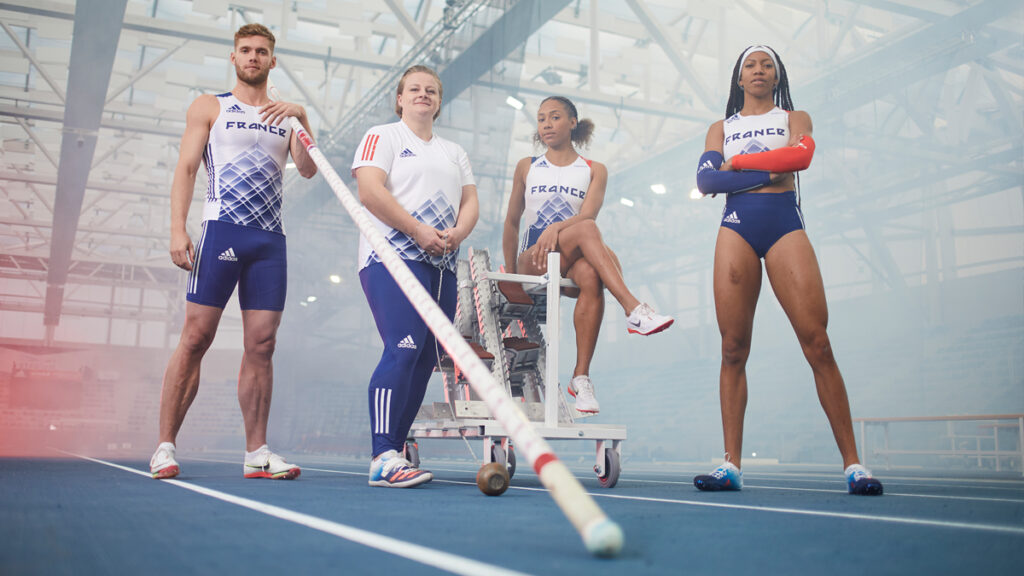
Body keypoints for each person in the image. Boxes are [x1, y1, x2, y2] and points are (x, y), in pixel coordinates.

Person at [692, 45, 882, 495]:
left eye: (767, 66)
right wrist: (762, 171)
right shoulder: (721, 128)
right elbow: (706, 182)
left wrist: (736, 164)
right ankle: (731, 466)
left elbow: (800, 159)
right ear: (739, 80)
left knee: (818, 343)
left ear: (777, 77)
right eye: (750, 66)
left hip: (783, 224)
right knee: (733, 348)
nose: (758, 71)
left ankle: (854, 465)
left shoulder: (795, 119)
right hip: (737, 226)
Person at [149, 23, 317, 480]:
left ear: (272, 61)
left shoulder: (286, 116)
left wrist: (302, 118)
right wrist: (176, 230)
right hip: (221, 232)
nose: (253, 57)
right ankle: (165, 446)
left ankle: (257, 452)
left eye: (262, 51)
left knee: (262, 345)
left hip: (269, 241)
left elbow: (306, 170)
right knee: (197, 338)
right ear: (234, 57)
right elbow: (186, 169)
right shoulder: (210, 106)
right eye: (246, 50)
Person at [502, 96, 674, 415]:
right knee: (588, 230)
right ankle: (633, 308)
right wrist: (512, 277)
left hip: (568, 260)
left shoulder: (595, 170)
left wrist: (559, 229)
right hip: (534, 258)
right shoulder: (527, 166)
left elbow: (589, 211)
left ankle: (581, 378)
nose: (546, 124)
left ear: (572, 123)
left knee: (591, 273)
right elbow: (511, 223)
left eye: (554, 117)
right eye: (541, 119)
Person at [352, 65, 478, 488]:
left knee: (426, 359)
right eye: (414, 89)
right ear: (400, 99)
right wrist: (417, 230)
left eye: (431, 90)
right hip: (391, 257)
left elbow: (470, 202)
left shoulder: (454, 151)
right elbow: (369, 191)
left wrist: (457, 233)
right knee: (403, 348)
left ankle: (398, 448)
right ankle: (382, 455)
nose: (423, 94)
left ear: (439, 102)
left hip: (439, 263)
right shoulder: (383, 136)